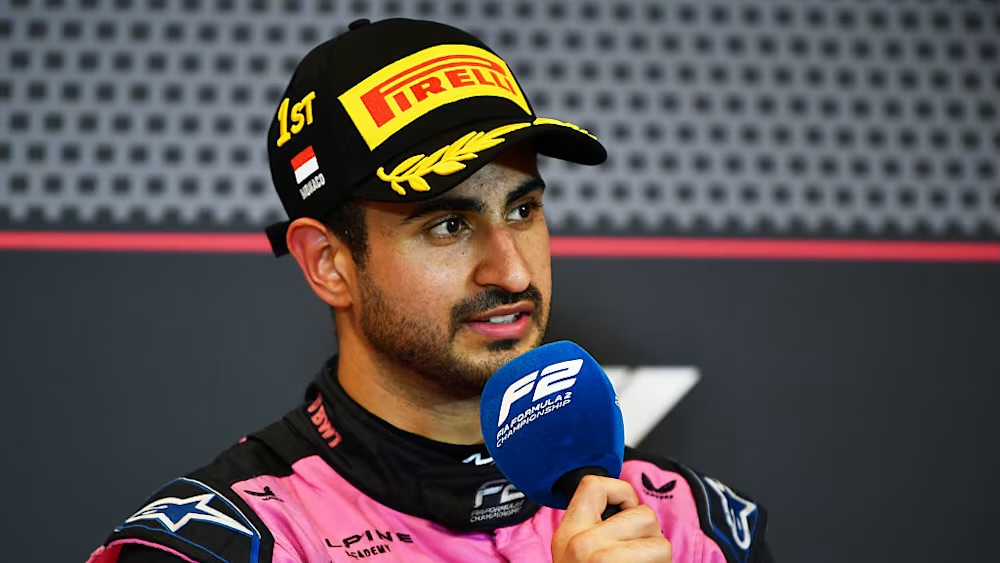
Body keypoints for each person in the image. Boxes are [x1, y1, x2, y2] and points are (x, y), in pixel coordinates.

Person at [88, 18, 773, 563]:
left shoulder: (691, 526)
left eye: (522, 209)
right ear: (328, 263)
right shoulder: (231, 545)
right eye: (449, 225)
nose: (512, 272)